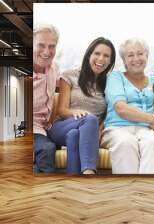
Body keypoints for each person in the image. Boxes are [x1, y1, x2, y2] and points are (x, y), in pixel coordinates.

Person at [101, 38, 154, 174]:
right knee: (126, 142)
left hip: (147, 130)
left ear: (147, 56)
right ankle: (129, 193)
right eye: (130, 55)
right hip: (117, 128)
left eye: (140, 53)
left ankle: (149, 192)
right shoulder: (115, 77)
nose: (136, 58)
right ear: (124, 61)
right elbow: (121, 108)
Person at [48, 37, 116, 175]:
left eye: (106, 56)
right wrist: (75, 113)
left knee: (74, 135)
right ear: (89, 54)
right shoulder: (70, 75)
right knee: (90, 119)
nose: (101, 59)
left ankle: (75, 184)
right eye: (97, 53)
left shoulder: (110, 83)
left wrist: (100, 129)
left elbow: (108, 114)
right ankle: (89, 173)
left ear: (110, 61)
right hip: (62, 126)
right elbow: (61, 110)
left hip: (87, 132)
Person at [33, 24, 60, 173]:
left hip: (48, 128)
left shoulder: (54, 68)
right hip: (33, 130)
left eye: (52, 46)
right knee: (47, 148)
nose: (47, 52)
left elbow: (65, 86)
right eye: (41, 45)